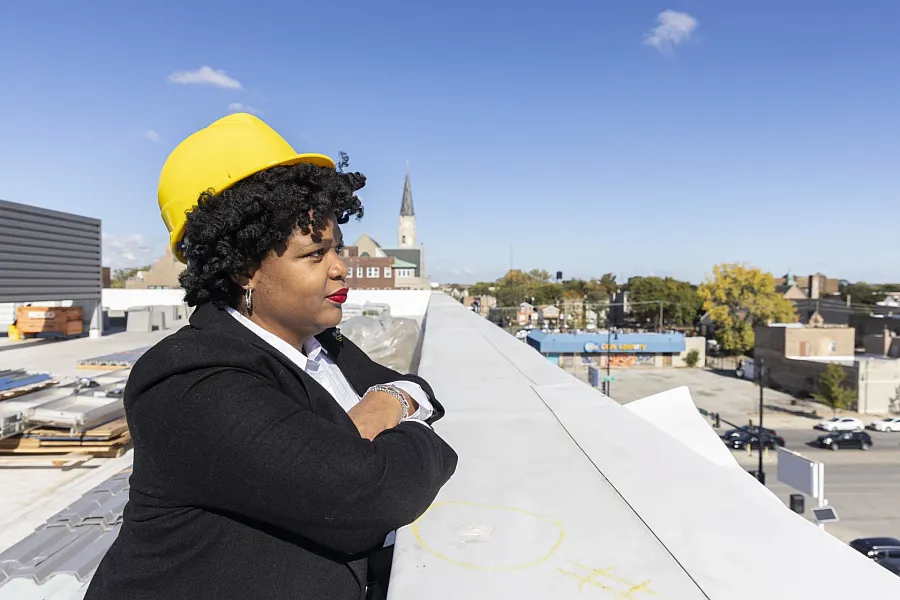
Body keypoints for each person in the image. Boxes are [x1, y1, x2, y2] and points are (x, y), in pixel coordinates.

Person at [85, 114, 458, 600]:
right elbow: (373, 495)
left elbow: (417, 389)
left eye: (337, 248)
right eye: (315, 254)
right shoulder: (188, 380)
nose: (342, 268)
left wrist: (387, 404)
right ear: (244, 268)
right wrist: (414, 440)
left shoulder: (322, 345)